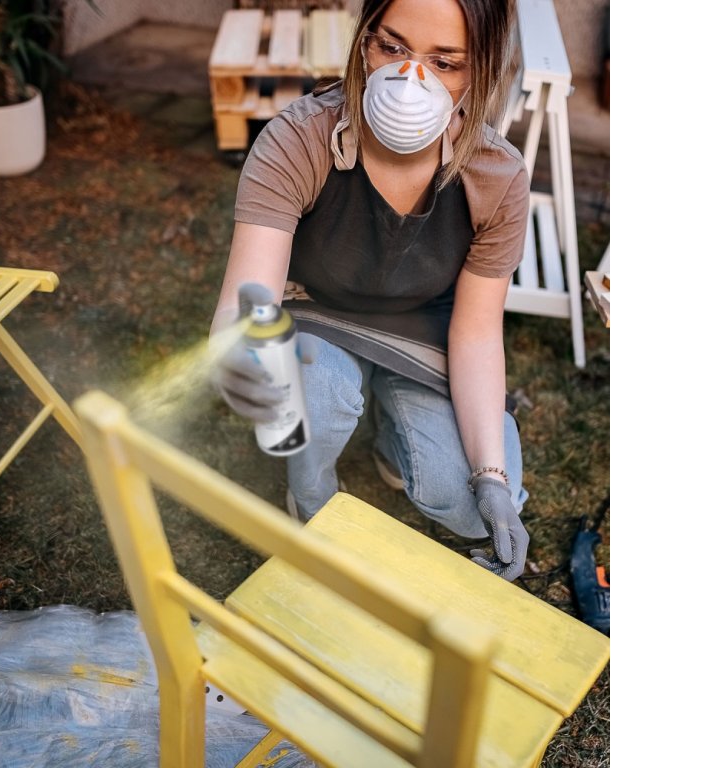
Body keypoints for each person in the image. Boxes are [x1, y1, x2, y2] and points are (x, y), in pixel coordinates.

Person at [209, 0, 531, 580]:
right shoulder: (299, 139)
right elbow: (246, 298)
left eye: (444, 63)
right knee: (314, 390)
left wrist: (491, 477)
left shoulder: (496, 176)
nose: (410, 82)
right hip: (315, 313)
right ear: (363, 43)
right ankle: (310, 499)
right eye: (393, 47)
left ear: (479, 72)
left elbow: (478, 334)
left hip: (424, 331)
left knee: (469, 508)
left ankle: (393, 435)